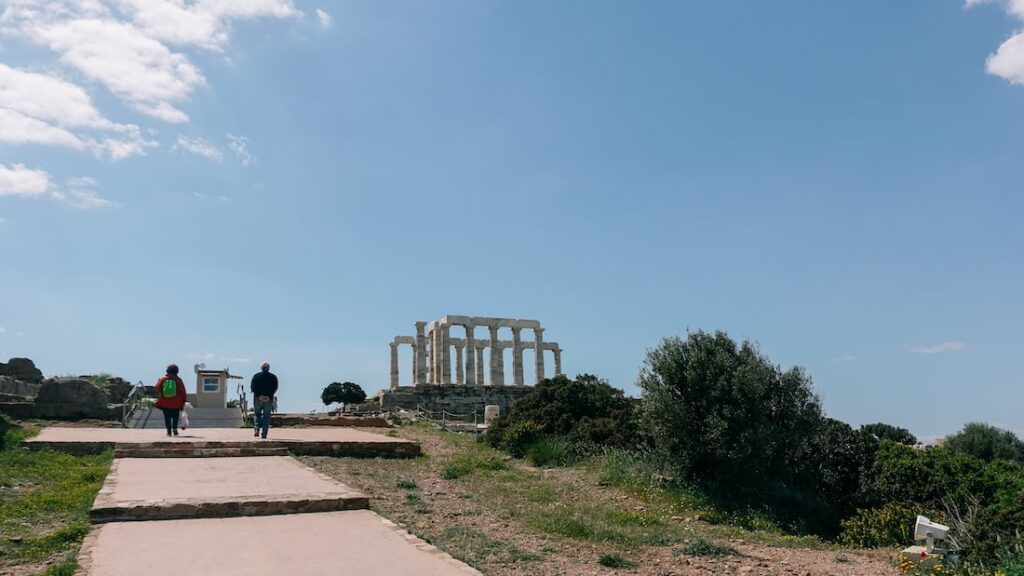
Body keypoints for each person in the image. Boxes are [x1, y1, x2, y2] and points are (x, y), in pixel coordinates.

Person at [154, 364, 187, 437]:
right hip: (176, 403)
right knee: (175, 416)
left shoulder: (163, 379)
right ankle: (175, 430)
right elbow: (183, 391)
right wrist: (184, 400)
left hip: (165, 402)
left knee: (167, 417)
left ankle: (169, 432)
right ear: (176, 371)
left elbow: (157, 388)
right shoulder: (178, 380)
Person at [250, 361, 278, 439]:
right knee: (266, 416)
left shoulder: (256, 376)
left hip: (257, 398)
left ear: (261, 368)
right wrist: (268, 396)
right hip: (269, 399)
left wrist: (259, 396)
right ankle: (264, 433)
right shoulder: (273, 377)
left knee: (257, 414)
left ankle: (256, 429)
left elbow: (253, 387)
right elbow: (275, 387)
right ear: (269, 368)